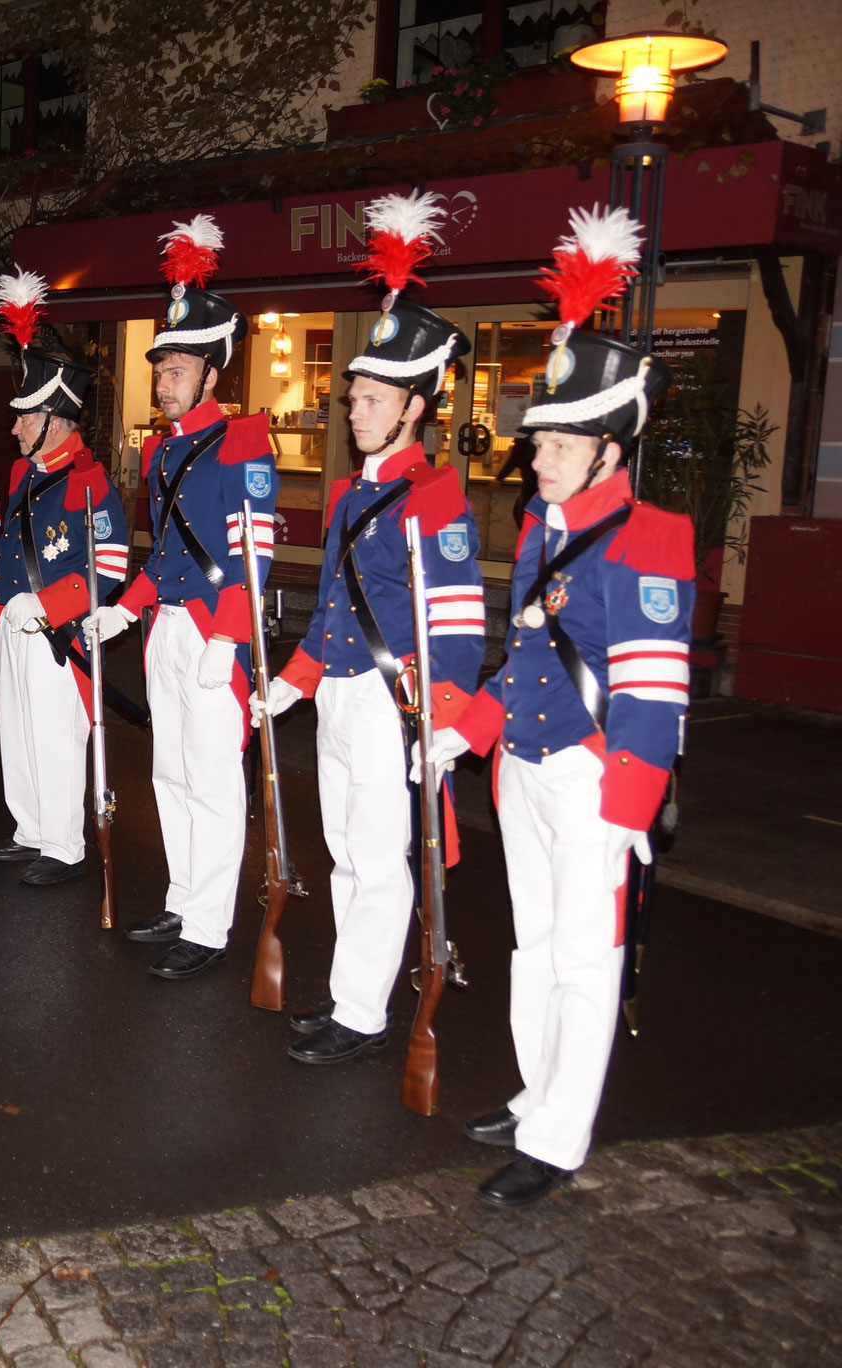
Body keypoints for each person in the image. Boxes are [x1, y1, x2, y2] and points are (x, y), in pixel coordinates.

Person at [423, 207, 688, 1208]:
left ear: (610, 452)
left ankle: (557, 1140)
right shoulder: (541, 529)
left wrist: (627, 808)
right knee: (533, 944)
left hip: (588, 781)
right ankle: (535, 1093)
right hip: (523, 766)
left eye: (558, 447)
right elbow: (528, 656)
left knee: (583, 960)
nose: (536, 461)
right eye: (539, 445)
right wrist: (464, 729)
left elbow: (654, 686)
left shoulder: (649, 540)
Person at [254, 193, 485, 1064]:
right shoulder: (352, 493)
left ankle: (363, 1012)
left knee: (383, 859)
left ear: (413, 409)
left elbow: (457, 624)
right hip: (340, 695)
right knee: (347, 850)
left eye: (371, 400)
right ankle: (355, 990)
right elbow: (339, 608)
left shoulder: (437, 498)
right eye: (352, 396)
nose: (352, 410)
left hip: (395, 703)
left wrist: (449, 718)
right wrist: (293, 678)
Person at [84, 216, 278, 979]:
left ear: (211, 375)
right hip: (166, 626)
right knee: (168, 774)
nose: (160, 380)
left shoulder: (244, 442)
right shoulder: (162, 451)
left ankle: (210, 924)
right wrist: (124, 608)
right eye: (159, 368)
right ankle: (182, 896)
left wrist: (230, 637)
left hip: (211, 634)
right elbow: (162, 555)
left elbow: (254, 553)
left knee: (212, 780)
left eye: (174, 369)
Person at [0, 270, 130, 886]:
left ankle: (63, 844)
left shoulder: (88, 480)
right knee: (18, 731)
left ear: (54, 421)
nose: (13, 429)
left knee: (57, 736)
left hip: (55, 634)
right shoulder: (24, 477)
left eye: (24, 419)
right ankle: (29, 828)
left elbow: (108, 566)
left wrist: (45, 607)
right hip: (13, 625)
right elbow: (9, 561)